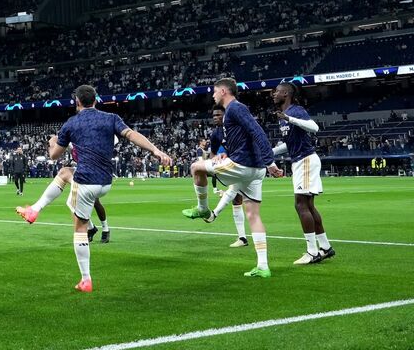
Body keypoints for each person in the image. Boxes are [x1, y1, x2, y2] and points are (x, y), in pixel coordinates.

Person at [39, 85, 171, 293]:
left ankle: (86, 279)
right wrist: (155, 149)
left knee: (78, 225)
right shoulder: (111, 118)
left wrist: (53, 141)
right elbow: (132, 135)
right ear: (96, 101)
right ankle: (89, 225)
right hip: (105, 183)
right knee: (70, 193)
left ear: (77, 101)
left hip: (86, 181)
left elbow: (54, 155)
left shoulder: (71, 123)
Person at [182, 78, 284, 278]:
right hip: (254, 170)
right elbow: (241, 138)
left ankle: (203, 209)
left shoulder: (235, 108)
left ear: (222, 91)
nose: (212, 95)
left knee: (196, 167)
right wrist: (224, 152)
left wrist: (270, 162)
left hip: (243, 165)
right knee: (253, 215)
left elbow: (257, 132)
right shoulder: (233, 113)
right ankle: (263, 266)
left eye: (214, 91)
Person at [271, 82, 335, 265]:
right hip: (300, 160)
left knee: (300, 205)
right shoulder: (283, 116)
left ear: (286, 93)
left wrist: (289, 118)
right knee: (308, 205)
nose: (274, 94)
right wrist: (270, 152)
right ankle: (325, 247)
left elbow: (314, 127)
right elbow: (289, 145)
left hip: (305, 160)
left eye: (277, 91)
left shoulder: (295, 111)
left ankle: (312, 251)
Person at [206, 106, 249, 249]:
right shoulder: (216, 134)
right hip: (234, 163)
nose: (215, 117)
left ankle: (214, 214)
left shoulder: (234, 128)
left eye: (219, 114)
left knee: (236, 192)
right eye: (214, 115)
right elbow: (212, 154)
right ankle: (242, 237)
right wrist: (214, 164)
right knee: (237, 199)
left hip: (246, 163)